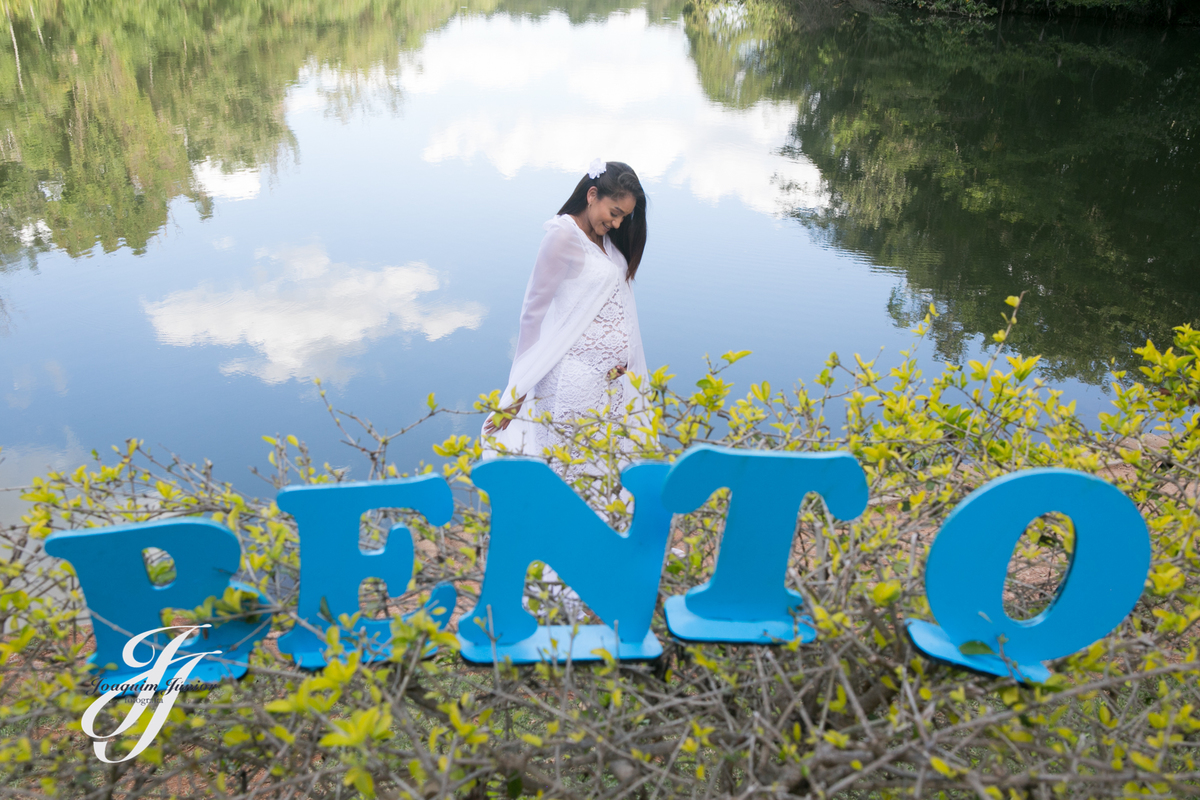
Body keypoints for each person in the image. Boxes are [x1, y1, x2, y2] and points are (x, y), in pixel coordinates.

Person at [482, 159, 650, 481]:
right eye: (614, 213)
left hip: (606, 385)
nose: (617, 224)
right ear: (591, 195)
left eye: (624, 218)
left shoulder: (604, 240)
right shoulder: (563, 236)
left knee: (603, 473)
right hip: (571, 381)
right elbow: (532, 313)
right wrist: (518, 387)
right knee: (570, 474)